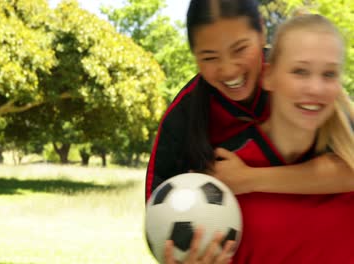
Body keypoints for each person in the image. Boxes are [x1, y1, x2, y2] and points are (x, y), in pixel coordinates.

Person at [144, 0, 354, 262]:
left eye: (240, 49)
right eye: (209, 57)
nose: (229, 69)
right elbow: (161, 216)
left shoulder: (303, 73)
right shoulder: (184, 118)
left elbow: (348, 161)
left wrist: (250, 179)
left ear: (262, 35)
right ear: (195, 56)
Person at [216, 14, 354, 263]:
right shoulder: (224, 173)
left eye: (329, 74)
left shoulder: (347, 159)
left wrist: (250, 179)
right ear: (268, 76)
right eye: (300, 71)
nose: (316, 88)